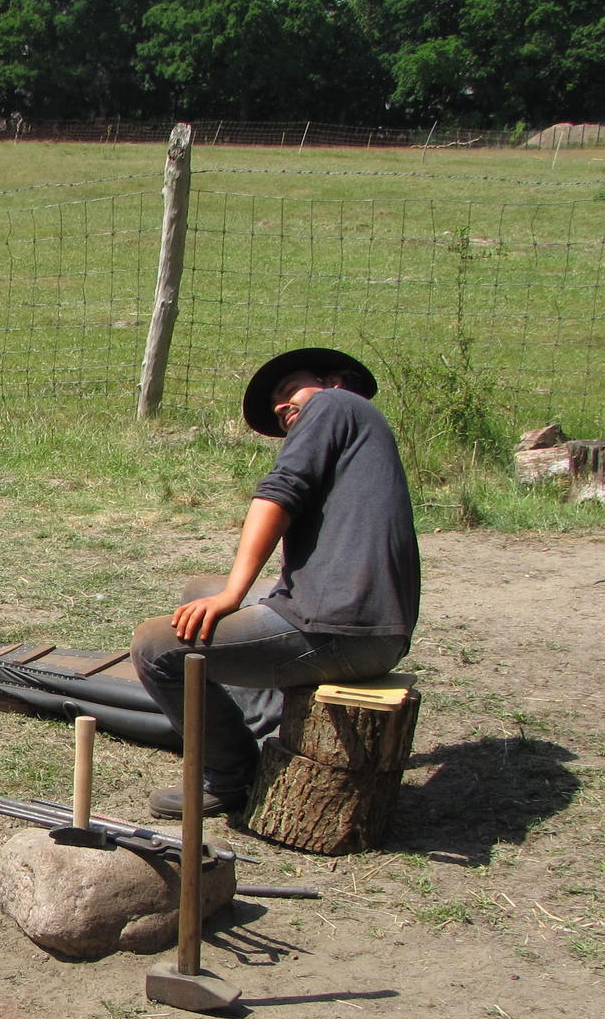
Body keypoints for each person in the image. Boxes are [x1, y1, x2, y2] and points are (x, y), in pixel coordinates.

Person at [129, 347, 421, 818]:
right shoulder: (357, 427)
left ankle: (229, 775)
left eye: (289, 392)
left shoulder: (333, 404)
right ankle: (265, 729)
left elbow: (278, 494)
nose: (283, 408)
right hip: (368, 622)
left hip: (339, 628)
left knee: (153, 646)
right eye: (277, 406)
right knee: (197, 592)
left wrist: (234, 594)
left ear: (336, 381)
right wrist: (220, 593)